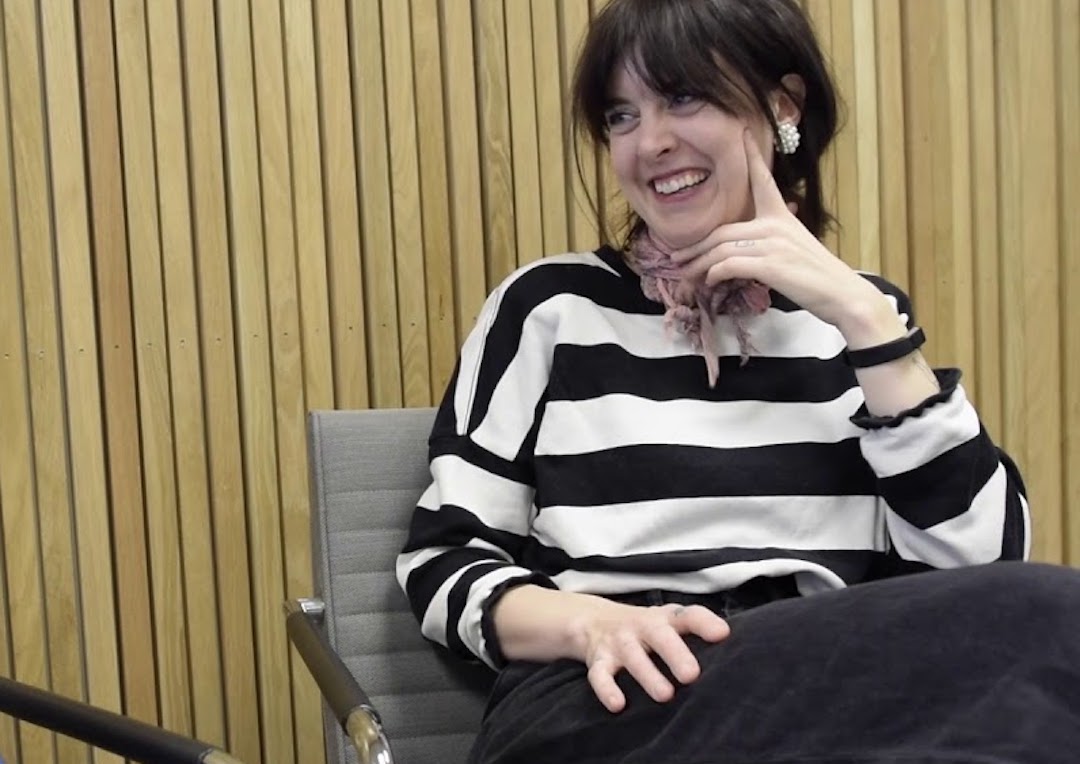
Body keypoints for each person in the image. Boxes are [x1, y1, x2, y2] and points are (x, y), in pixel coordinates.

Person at [397, 1, 1080, 761]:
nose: (650, 142)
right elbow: (442, 563)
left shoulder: (858, 323)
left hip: (820, 693)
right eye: (622, 116)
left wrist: (863, 316)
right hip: (605, 698)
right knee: (1054, 615)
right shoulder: (550, 308)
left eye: (684, 96)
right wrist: (591, 623)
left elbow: (980, 572)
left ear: (783, 106)